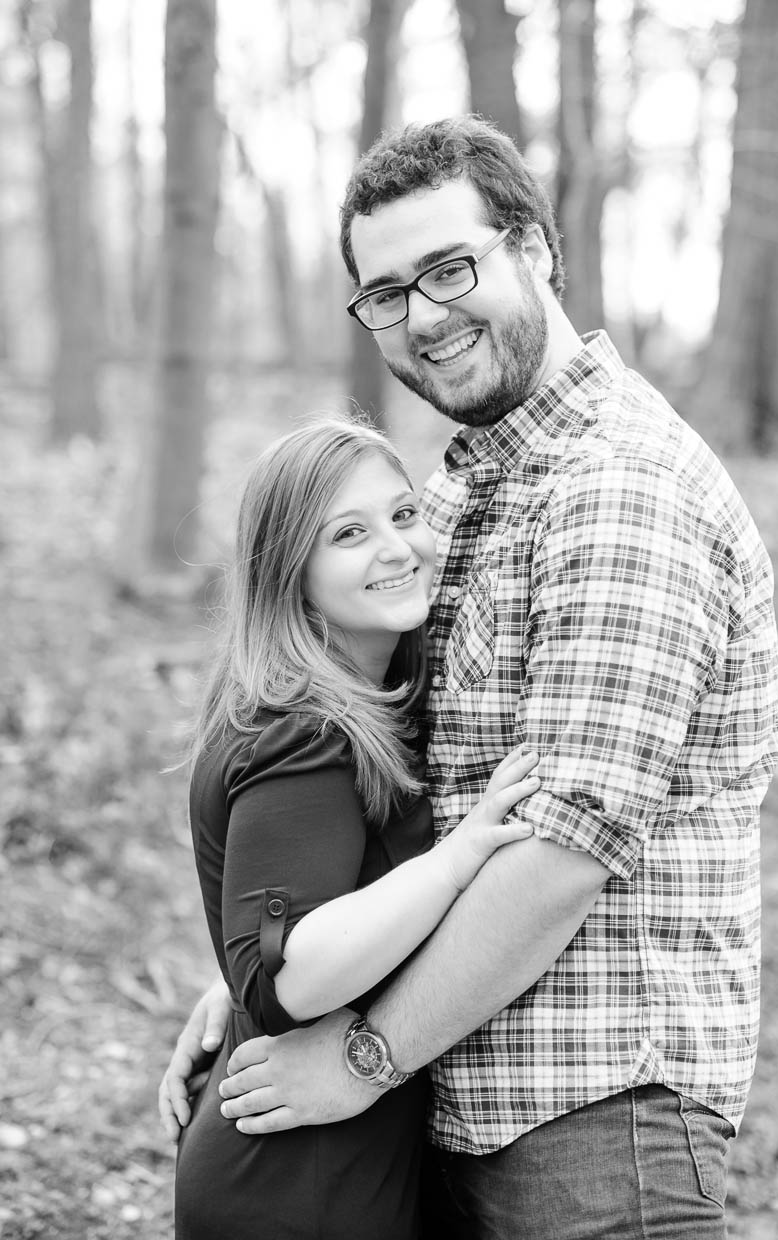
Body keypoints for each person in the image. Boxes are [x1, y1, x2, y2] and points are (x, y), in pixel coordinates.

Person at [161, 116, 778, 1239]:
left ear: (535, 248)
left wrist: (359, 1050)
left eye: (451, 268)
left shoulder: (618, 493)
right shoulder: (454, 499)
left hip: (595, 1125)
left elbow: (560, 848)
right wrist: (271, 972)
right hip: (443, 1109)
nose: (425, 316)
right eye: (387, 291)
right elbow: (389, 797)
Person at [172, 414, 543, 1239]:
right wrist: (455, 860)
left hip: (333, 1163)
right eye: (349, 532)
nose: (396, 547)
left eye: (403, 515)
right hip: (294, 1186)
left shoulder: (359, 705)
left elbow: (287, 921)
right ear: (290, 574)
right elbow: (291, 974)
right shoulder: (305, 729)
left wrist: (230, 985)